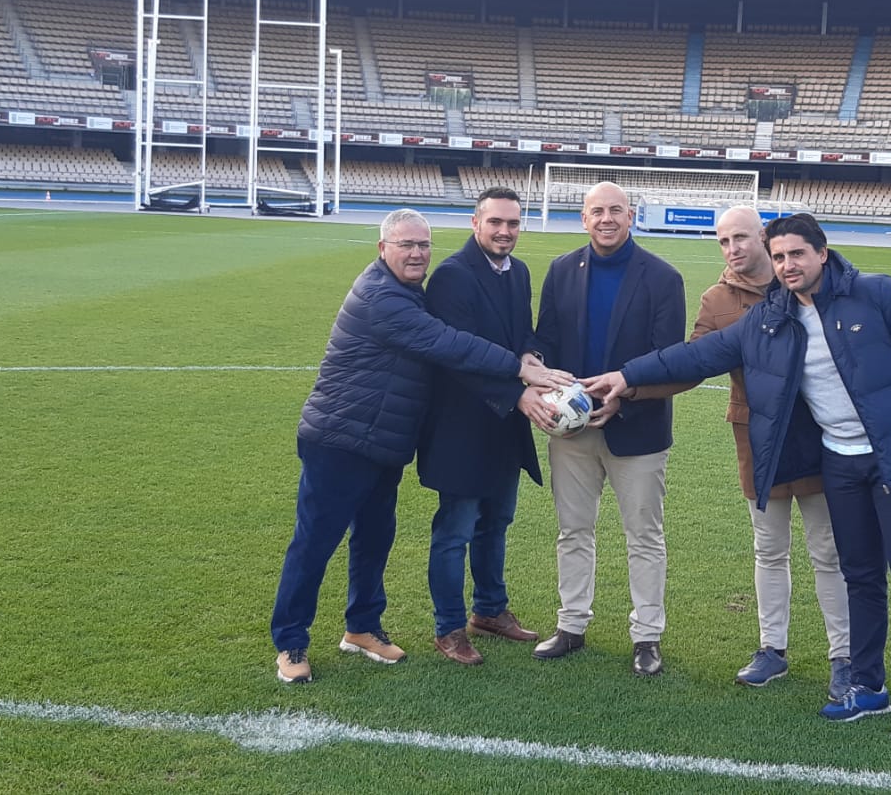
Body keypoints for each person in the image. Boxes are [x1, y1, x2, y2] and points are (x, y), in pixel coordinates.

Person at [585, 212, 891, 740]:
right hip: (840, 462)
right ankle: (869, 685)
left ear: (821, 253)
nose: (787, 265)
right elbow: (697, 354)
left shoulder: (878, 294)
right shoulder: (770, 319)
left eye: (796, 254)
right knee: (861, 575)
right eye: (779, 256)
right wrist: (627, 375)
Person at [270, 208, 571, 684]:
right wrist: (521, 370)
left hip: (383, 442)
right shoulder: (381, 297)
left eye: (423, 245)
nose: (416, 253)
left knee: (374, 539)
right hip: (340, 439)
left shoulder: (410, 291)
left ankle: (362, 628)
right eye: (405, 245)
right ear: (382, 249)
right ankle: (290, 640)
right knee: (314, 543)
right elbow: (447, 341)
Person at [524, 181, 687, 677]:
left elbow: (667, 358)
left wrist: (626, 398)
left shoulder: (663, 278)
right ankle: (571, 624)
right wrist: (539, 374)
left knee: (644, 536)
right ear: (583, 218)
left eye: (616, 210)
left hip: (635, 428)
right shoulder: (560, 270)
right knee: (573, 531)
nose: (606, 219)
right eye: (597, 211)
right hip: (571, 430)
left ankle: (646, 636)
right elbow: (546, 339)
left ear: (631, 216)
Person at [694, 206, 851, 700]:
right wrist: (630, 388)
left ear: (763, 238)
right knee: (769, 547)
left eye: (741, 237)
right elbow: (693, 359)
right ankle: (771, 649)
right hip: (758, 438)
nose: (733, 248)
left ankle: (843, 655)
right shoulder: (717, 300)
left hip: (818, 433)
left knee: (828, 549)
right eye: (723, 241)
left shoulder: (806, 280)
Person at [416, 187, 561, 665]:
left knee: (497, 522)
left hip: (505, 427)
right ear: (475, 223)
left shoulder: (518, 271)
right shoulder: (452, 277)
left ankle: (490, 610)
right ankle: (448, 628)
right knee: (455, 529)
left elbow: (522, 332)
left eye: (513, 224)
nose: (505, 231)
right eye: (496, 222)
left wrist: (531, 356)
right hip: (463, 428)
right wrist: (519, 393)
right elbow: (457, 356)